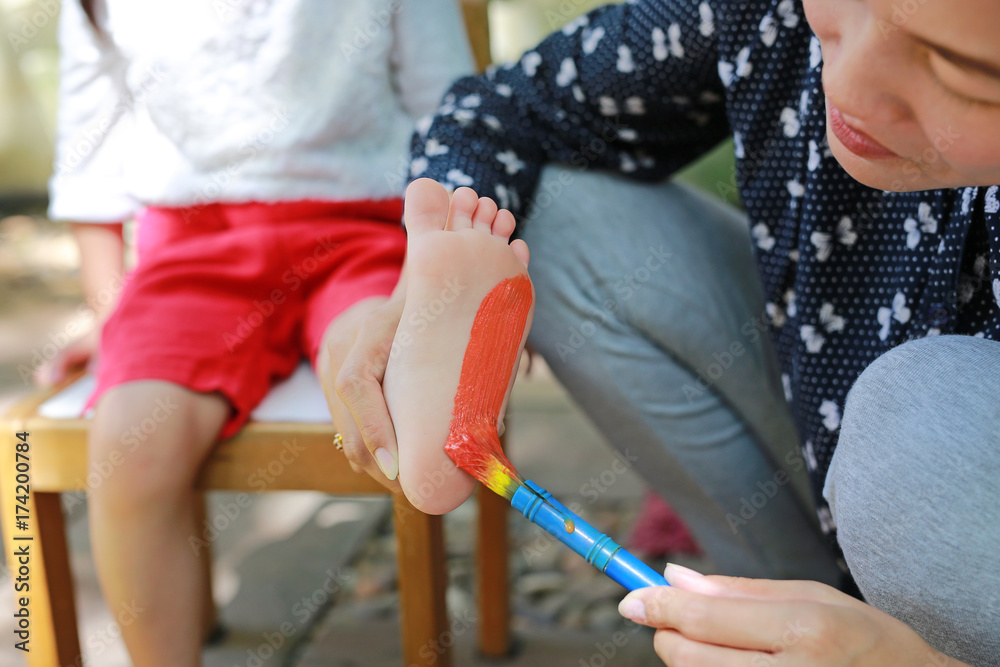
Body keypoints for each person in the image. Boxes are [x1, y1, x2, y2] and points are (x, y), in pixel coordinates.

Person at [335, 0, 1000, 664]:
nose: (845, 85)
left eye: (961, 70)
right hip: (823, 469)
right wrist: (410, 302)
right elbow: (499, 110)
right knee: (560, 213)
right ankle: (782, 620)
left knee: (919, 426)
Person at [44, 0, 473, 663]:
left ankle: (426, 356)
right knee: (130, 449)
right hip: (190, 252)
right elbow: (89, 161)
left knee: (369, 367)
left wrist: (455, 274)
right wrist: (111, 321)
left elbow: (452, 114)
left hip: (364, 227)